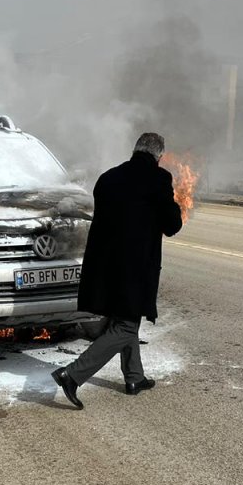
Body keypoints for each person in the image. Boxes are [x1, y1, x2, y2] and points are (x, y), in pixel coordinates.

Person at [51, 132, 183, 409]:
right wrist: (173, 206)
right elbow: (172, 226)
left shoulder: (108, 178)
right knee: (125, 325)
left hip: (103, 267)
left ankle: (134, 377)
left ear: (135, 150)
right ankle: (72, 375)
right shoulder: (158, 179)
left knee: (123, 320)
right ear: (158, 156)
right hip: (133, 269)